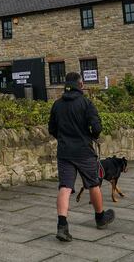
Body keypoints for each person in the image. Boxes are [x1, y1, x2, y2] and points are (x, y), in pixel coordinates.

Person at [48, 71, 115, 242]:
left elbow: (52, 129)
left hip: (64, 153)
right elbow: (97, 127)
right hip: (84, 152)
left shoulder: (57, 105)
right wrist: (92, 136)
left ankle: (62, 226)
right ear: (81, 85)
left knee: (65, 187)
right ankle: (100, 218)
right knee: (93, 184)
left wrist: (63, 140)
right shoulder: (86, 103)